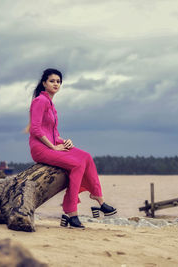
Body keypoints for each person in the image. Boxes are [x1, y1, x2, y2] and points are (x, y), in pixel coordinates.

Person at [27, 68, 117, 229]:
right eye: (52, 81)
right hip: (40, 149)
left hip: (52, 145)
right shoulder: (40, 101)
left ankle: (99, 198)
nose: (56, 84)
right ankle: (71, 212)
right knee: (76, 164)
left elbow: (53, 133)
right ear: (44, 83)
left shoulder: (50, 103)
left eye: (58, 81)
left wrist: (65, 141)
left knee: (86, 156)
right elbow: (35, 130)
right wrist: (54, 147)